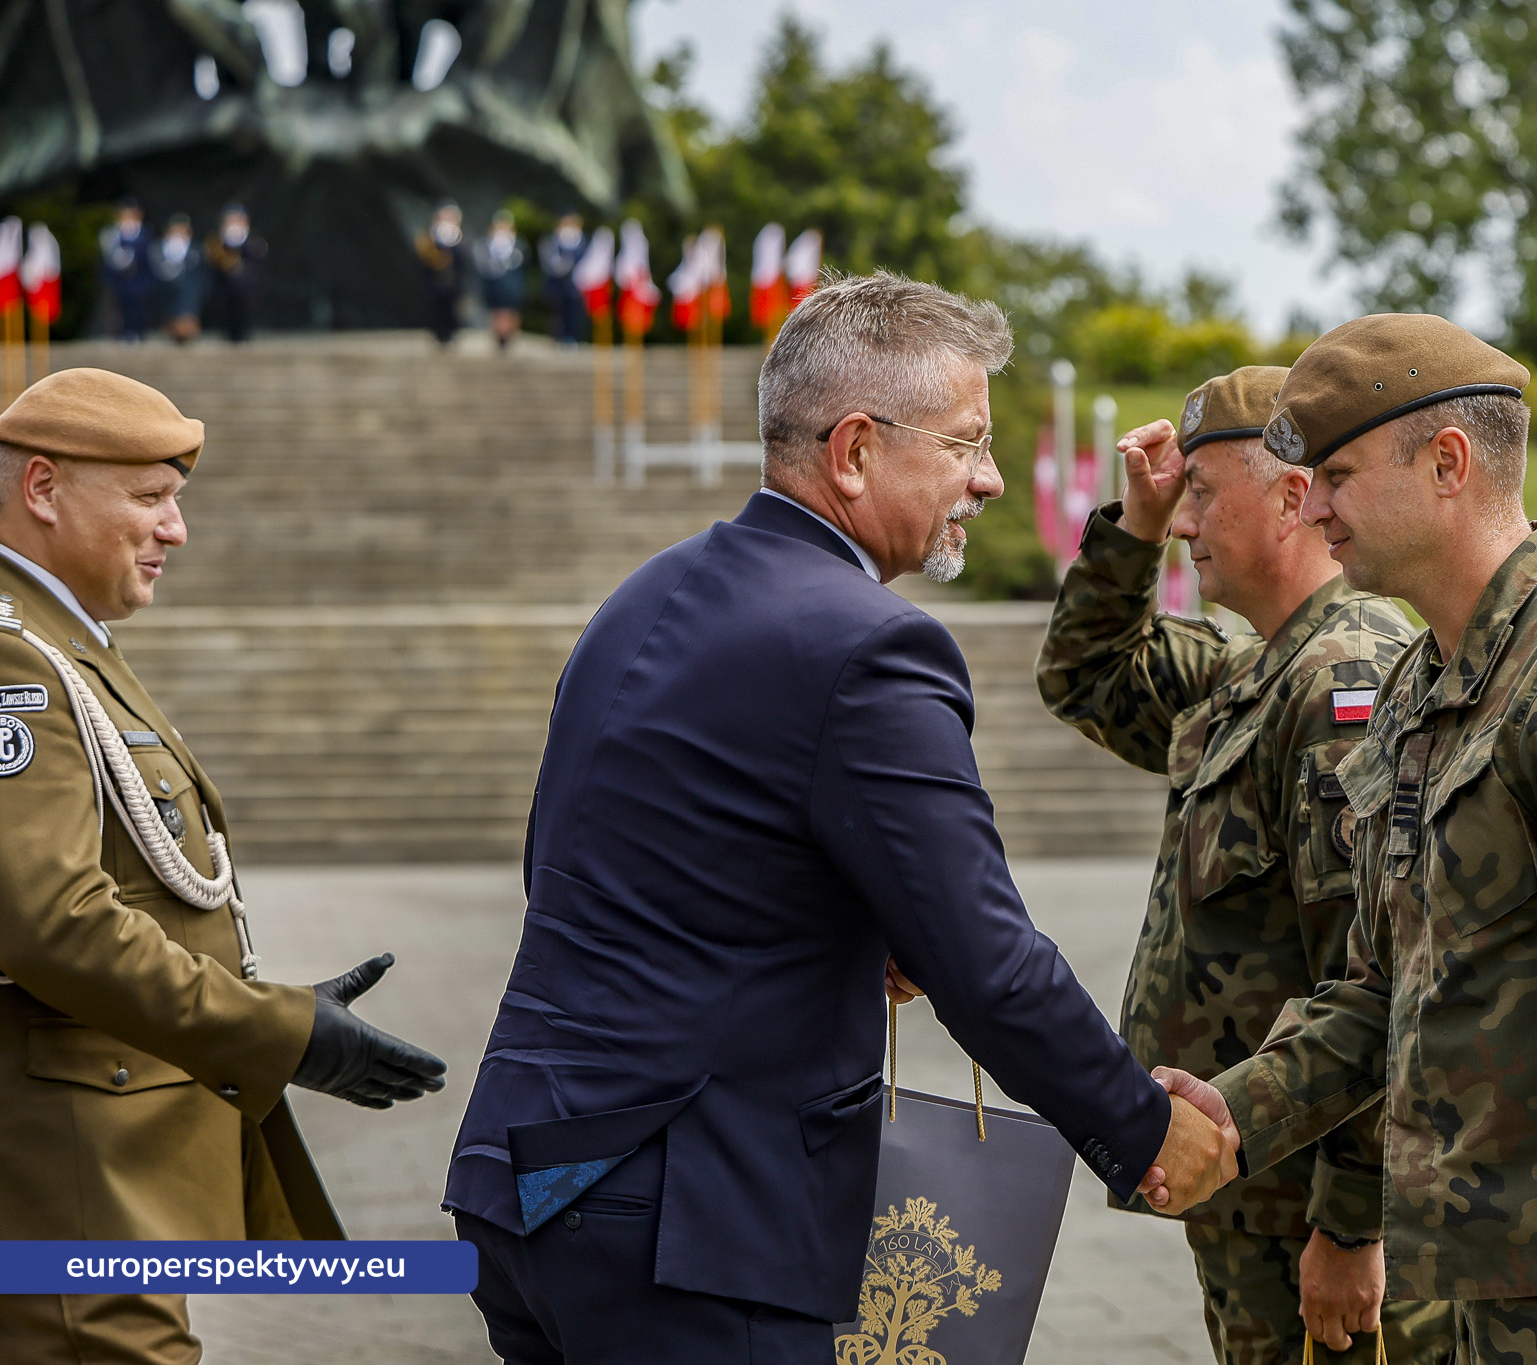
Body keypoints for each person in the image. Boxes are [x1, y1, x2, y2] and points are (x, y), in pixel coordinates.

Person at [443, 272, 1232, 1364]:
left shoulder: (644, 595)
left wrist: (851, 936)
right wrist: (1139, 1128)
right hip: (691, 1220)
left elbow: (603, 871)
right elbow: (984, 960)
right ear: (856, 450)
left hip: (527, 1182)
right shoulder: (871, 645)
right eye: (965, 443)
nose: (991, 480)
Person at [1156, 315, 1537, 1365]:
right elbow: (1381, 991)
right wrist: (1224, 1118)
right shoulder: (1421, 684)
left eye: (1339, 473)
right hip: (1477, 1275)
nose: (1311, 506)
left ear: (1447, 463)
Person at [0, 369, 447, 1365]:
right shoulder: (3, 661)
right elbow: (48, 922)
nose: (175, 530)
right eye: (149, 497)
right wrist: (283, 1033)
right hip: (66, 1184)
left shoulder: (54, 642)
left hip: (95, 1174)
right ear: (45, 489)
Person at [1038, 366, 1449, 1365]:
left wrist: (1353, 1223)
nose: (1183, 526)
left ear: (1289, 496)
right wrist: (1130, 527)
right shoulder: (1254, 667)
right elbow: (1085, 678)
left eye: (1201, 495)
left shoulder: (1341, 678)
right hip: (1250, 1192)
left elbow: (1375, 976)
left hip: (1304, 1203)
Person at [204, 204, 266, 344]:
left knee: (244, 323)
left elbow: (258, 270)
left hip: (247, 293)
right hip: (224, 292)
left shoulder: (254, 243)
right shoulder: (216, 243)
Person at [98, 199, 153, 343]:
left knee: (138, 309)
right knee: (118, 308)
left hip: (138, 281)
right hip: (118, 281)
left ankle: (137, 333)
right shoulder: (112, 235)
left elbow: (148, 261)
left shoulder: (145, 234)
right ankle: (121, 333)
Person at [416, 201, 468, 346]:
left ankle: (449, 334)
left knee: (451, 311)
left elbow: (462, 262)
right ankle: (438, 334)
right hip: (436, 282)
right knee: (436, 311)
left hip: (452, 283)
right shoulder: (430, 237)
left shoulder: (459, 238)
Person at [475, 209, 526, 352]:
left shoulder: (519, 246)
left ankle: (509, 339)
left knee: (510, 313)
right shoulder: (485, 245)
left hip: (512, 287)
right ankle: (498, 339)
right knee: (497, 313)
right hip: (493, 287)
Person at [151, 213, 203, 344]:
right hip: (167, 295)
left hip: (189, 294)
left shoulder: (197, 250)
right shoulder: (157, 249)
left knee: (186, 317)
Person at [539, 213, 589, 346]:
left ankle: (574, 338)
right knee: (557, 315)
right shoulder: (552, 241)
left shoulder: (583, 242)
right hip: (557, 285)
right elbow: (548, 259)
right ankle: (558, 338)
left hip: (576, 285)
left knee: (574, 314)